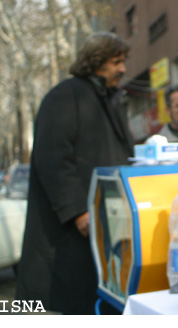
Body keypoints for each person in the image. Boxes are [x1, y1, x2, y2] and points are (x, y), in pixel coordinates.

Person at [15, 32, 135, 314]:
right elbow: (53, 158)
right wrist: (79, 210)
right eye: (116, 61)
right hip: (69, 232)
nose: (123, 69)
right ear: (96, 63)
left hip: (105, 230)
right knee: (69, 303)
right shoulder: (65, 95)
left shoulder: (112, 100)